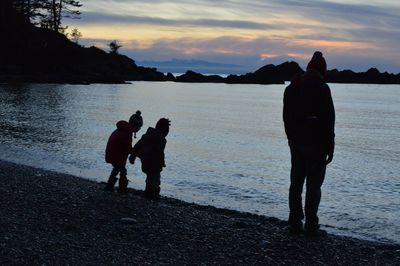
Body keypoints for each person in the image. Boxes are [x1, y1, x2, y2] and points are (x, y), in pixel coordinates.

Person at [283, 51, 335, 237]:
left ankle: (295, 223)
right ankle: (311, 226)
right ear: (322, 70)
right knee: (313, 186)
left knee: (295, 183)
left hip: (296, 142)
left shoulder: (292, 87)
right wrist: (330, 146)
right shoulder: (322, 87)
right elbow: (329, 119)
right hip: (316, 144)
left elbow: (286, 118)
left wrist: (290, 138)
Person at [130, 118, 170, 200]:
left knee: (149, 178)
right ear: (165, 131)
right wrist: (162, 164)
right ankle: (153, 195)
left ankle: (147, 193)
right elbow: (160, 153)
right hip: (154, 163)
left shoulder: (148, 134)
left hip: (145, 161)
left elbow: (138, 145)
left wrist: (132, 156)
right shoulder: (162, 139)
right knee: (155, 180)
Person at [104, 111, 143, 192]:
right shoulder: (127, 133)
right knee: (122, 170)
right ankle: (121, 189)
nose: (139, 129)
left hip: (112, 153)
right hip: (116, 155)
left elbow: (126, 147)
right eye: (139, 127)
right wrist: (138, 155)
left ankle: (110, 186)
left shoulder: (122, 129)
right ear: (136, 126)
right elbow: (128, 148)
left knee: (118, 169)